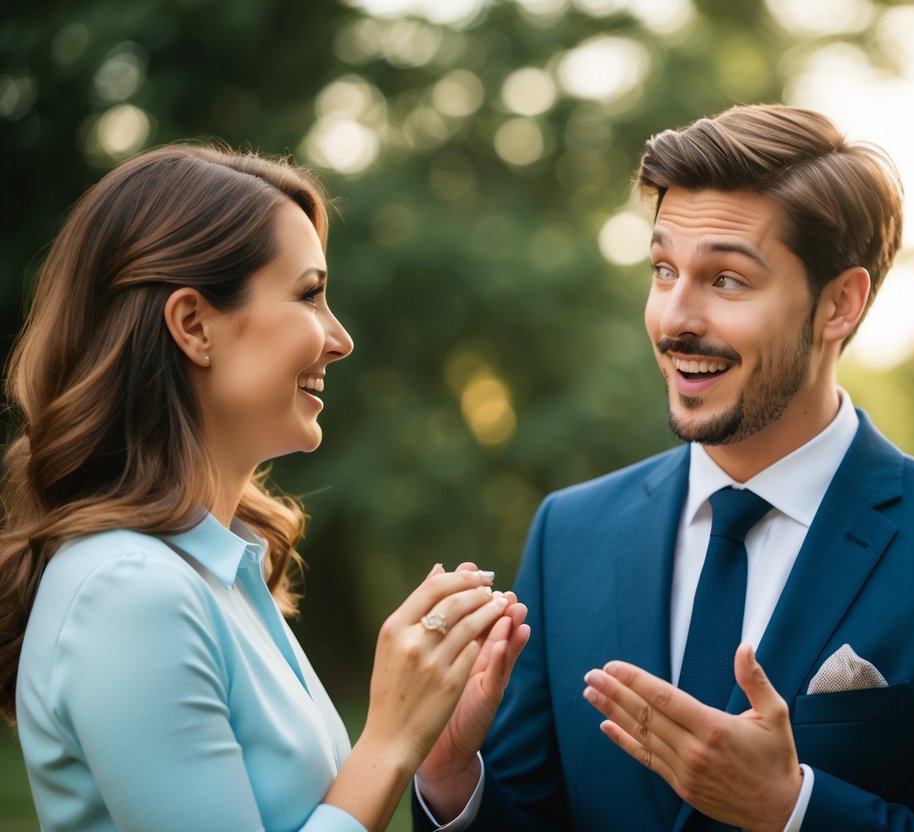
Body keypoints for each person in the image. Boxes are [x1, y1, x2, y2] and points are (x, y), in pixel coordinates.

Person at [412, 105, 914, 830]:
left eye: (727, 281)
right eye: (663, 270)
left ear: (839, 303)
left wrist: (794, 809)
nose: (673, 317)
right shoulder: (568, 535)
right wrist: (451, 775)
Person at [0, 144, 529, 832]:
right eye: (309, 295)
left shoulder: (222, 573)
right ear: (194, 325)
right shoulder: (129, 590)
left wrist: (433, 751)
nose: (338, 338)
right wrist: (389, 741)